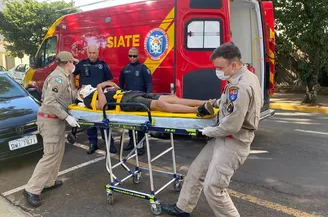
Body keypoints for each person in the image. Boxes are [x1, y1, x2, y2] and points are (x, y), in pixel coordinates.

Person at [161, 42, 263, 217]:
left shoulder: (241, 86)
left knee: (213, 186)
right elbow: (228, 102)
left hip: (233, 140)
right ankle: (183, 208)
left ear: (233, 65)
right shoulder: (242, 76)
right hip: (224, 137)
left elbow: (232, 126)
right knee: (196, 170)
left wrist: (207, 131)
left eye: (219, 67)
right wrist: (211, 104)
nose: (217, 71)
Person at [23, 51, 81, 207]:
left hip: (56, 121)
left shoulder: (63, 77)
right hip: (50, 121)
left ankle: (48, 182)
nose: (74, 65)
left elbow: (64, 97)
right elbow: (49, 102)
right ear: (68, 63)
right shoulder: (58, 78)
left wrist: (79, 95)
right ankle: (32, 189)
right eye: (73, 62)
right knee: (49, 155)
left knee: (57, 153)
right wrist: (66, 117)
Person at [72, 44, 117, 154]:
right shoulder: (82, 64)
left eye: (94, 53)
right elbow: (72, 75)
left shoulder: (103, 65)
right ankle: (93, 144)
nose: (92, 55)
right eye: (90, 53)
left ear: (97, 53)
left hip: (100, 97)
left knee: (104, 121)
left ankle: (109, 143)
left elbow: (110, 79)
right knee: (90, 122)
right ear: (87, 53)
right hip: (87, 98)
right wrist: (73, 88)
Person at [77, 82, 214, 116]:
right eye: (81, 87)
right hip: (125, 101)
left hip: (130, 93)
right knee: (160, 104)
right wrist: (100, 87)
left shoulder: (96, 89)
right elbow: (103, 106)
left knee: (171, 97)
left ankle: (207, 102)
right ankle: (199, 109)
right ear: (81, 95)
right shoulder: (88, 100)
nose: (83, 84)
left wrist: (108, 84)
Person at [119, 47, 152, 155]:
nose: (132, 58)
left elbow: (149, 83)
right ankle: (132, 142)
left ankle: (141, 145)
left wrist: (148, 96)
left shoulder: (143, 68)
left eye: (134, 56)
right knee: (130, 122)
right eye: (130, 55)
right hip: (128, 100)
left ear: (138, 56)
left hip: (141, 99)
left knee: (140, 124)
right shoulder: (125, 69)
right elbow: (120, 86)